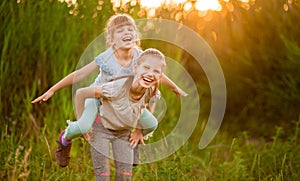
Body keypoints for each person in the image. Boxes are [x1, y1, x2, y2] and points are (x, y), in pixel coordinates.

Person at [31, 14, 187, 167]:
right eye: (120, 31)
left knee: (151, 124)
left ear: (136, 35)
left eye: (130, 29)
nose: (126, 32)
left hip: (125, 100)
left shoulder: (140, 56)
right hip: (99, 97)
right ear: (112, 39)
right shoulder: (106, 57)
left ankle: (136, 139)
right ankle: (65, 139)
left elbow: (156, 72)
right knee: (84, 126)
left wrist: (173, 86)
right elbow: (79, 74)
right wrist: (52, 90)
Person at [82, 48, 167, 181]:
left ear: (160, 77)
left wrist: (139, 130)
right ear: (136, 67)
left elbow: (150, 105)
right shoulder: (118, 86)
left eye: (156, 71)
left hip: (123, 132)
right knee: (103, 177)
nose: (151, 74)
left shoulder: (151, 90)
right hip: (101, 128)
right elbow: (84, 93)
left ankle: (136, 143)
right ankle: (66, 138)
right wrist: (84, 123)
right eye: (146, 68)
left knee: (125, 177)